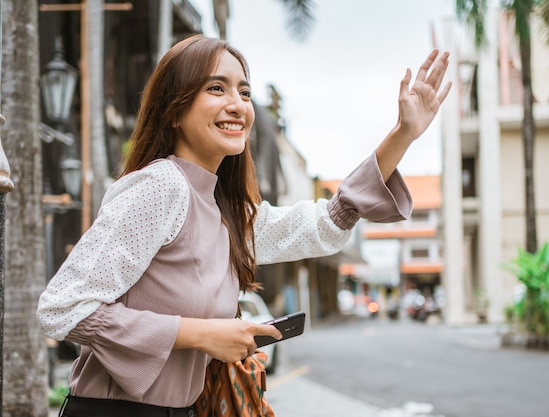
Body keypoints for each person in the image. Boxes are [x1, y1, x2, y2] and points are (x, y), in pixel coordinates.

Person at [37, 34, 451, 416]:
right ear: (175, 109)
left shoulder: (224, 209)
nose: (238, 104)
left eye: (245, 91)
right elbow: (63, 309)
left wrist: (403, 134)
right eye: (216, 88)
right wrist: (201, 334)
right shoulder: (160, 186)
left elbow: (326, 222)